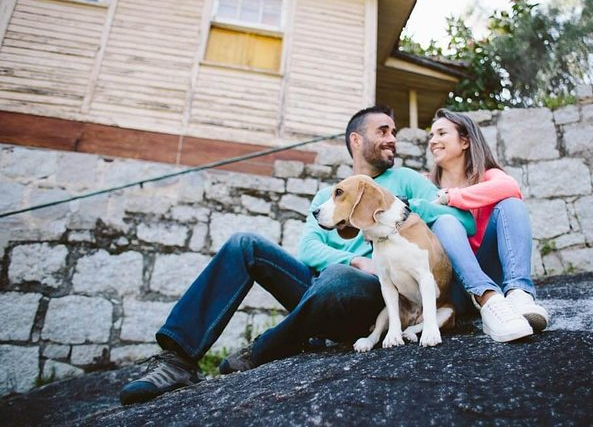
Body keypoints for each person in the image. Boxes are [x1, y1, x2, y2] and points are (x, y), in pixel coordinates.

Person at [119, 105, 475, 405]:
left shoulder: (405, 180)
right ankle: (177, 359)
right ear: (356, 140)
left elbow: (462, 220)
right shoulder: (327, 195)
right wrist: (354, 258)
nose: (392, 139)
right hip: (324, 289)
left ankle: (263, 349)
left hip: (375, 294)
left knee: (339, 277)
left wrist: (407, 211)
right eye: (383, 131)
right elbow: (307, 249)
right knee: (245, 243)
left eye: (393, 131)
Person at [427, 108, 549, 343]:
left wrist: (451, 197)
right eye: (431, 136)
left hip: (492, 276)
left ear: (464, 141)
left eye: (441, 133)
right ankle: (487, 299)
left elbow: (510, 187)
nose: (433, 141)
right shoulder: (426, 184)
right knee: (445, 221)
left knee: (511, 204)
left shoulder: (488, 175)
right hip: (452, 288)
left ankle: (518, 294)